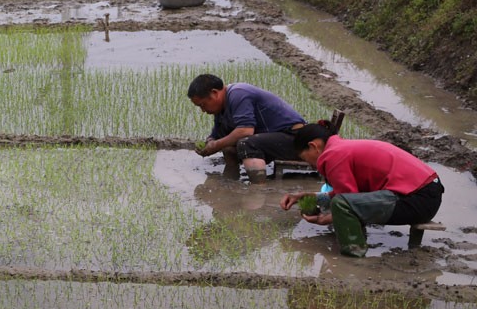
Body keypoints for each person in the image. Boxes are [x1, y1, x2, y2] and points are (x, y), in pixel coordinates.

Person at [279, 124, 444, 257]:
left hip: (417, 199)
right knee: (342, 202)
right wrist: (307, 197)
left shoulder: (333, 155)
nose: (310, 165)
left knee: (342, 204)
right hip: (427, 193)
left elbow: (346, 201)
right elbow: (347, 195)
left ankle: (353, 256)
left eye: (305, 158)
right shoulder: (341, 148)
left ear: (313, 146)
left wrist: (326, 218)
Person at [188, 74, 308, 185]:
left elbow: (245, 131)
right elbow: (218, 135)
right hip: (274, 139)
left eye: (202, 105)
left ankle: (258, 188)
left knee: (245, 144)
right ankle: (230, 183)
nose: (203, 110)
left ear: (214, 93)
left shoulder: (238, 94)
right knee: (228, 148)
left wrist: (216, 145)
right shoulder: (221, 109)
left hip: (295, 139)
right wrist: (209, 142)